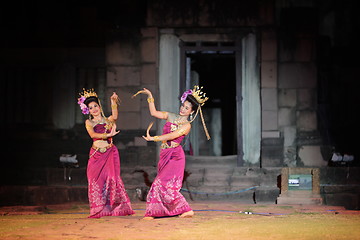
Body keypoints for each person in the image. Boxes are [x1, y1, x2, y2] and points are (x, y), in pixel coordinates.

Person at [134, 86, 210, 220]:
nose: (183, 109)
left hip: (175, 156)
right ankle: (174, 210)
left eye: (187, 108)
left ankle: (156, 212)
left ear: (191, 112)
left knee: (159, 183)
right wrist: (150, 96)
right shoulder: (170, 115)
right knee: (164, 185)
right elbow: (154, 113)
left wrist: (154, 138)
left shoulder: (187, 125)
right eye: (183, 105)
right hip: (165, 153)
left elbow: (171, 136)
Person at [77, 89, 135, 218]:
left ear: (99, 106)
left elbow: (114, 116)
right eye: (90, 108)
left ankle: (116, 207)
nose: (94, 109)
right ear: (88, 111)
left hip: (109, 153)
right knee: (95, 180)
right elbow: (93, 135)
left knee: (112, 179)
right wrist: (108, 134)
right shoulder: (89, 122)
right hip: (96, 154)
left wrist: (113, 101)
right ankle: (98, 209)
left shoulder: (107, 120)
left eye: (95, 106)